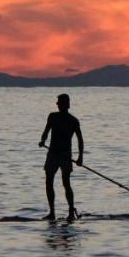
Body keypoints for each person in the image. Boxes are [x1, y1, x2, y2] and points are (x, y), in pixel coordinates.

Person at [39, 93, 84, 221]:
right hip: (53, 153)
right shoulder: (52, 117)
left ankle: (71, 212)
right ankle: (52, 212)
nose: (57, 104)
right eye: (57, 102)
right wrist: (43, 140)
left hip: (65, 155)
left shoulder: (73, 120)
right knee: (49, 181)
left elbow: (80, 140)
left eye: (59, 102)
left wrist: (80, 157)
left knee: (66, 182)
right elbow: (46, 132)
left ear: (66, 104)